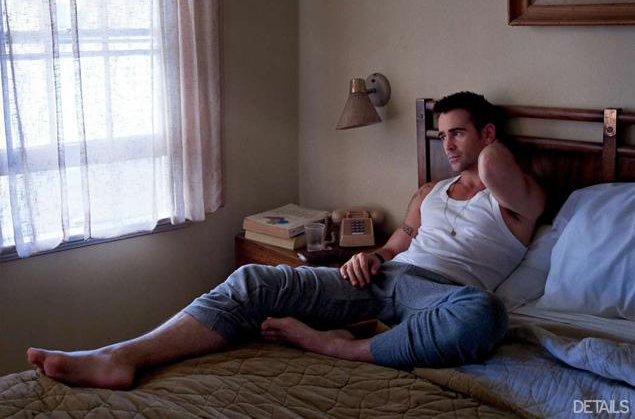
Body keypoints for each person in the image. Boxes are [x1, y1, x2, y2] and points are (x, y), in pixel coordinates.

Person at [26, 91, 545, 390]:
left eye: (457, 133)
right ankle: (122, 355)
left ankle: (337, 346)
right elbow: (393, 248)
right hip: (385, 281)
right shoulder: (428, 192)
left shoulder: (519, 199)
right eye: (441, 134)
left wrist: (485, 150)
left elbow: (493, 166)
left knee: (486, 316)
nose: (446, 145)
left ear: (488, 135)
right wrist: (368, 256)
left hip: (446, 296)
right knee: (256, 278)